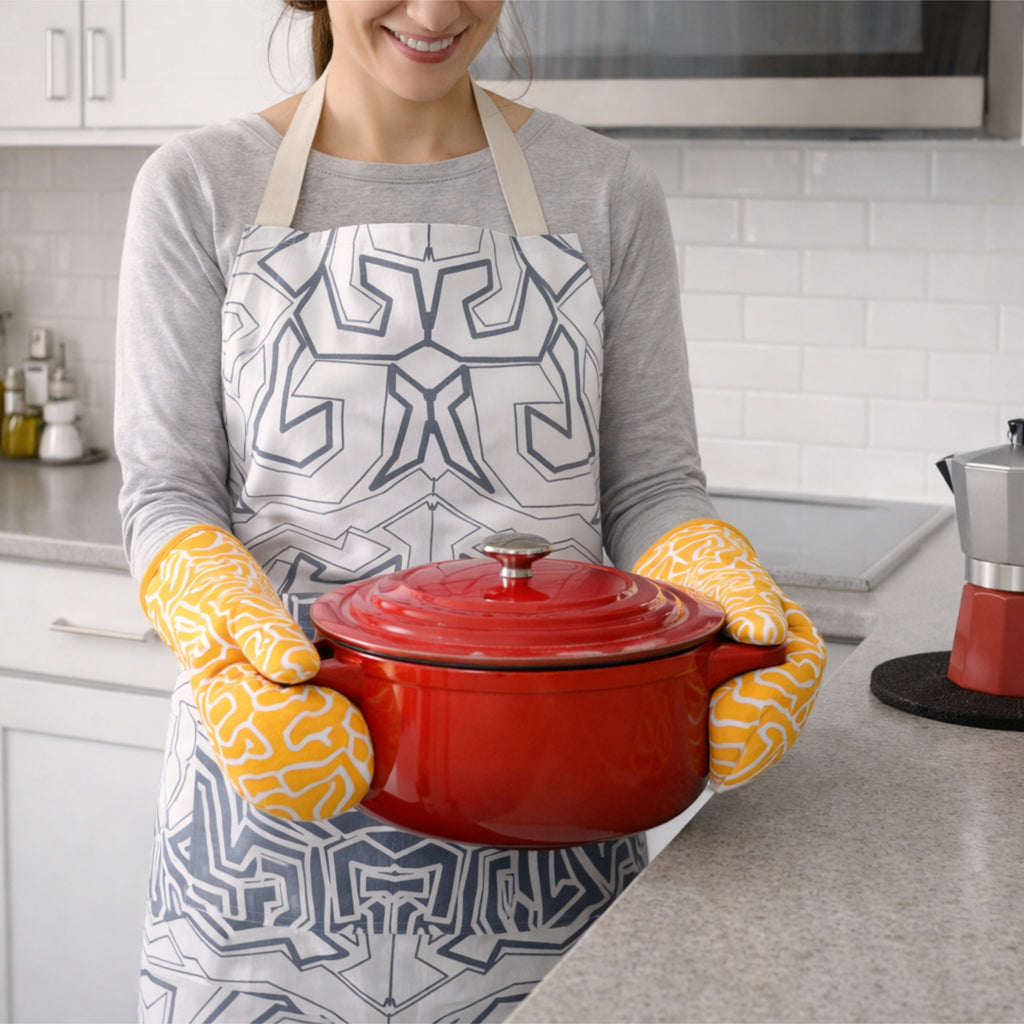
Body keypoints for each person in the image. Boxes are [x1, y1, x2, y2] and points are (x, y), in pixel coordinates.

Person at [115, 2, 825, 1020]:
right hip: (271, 811)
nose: (437, 12)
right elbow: (167, 489)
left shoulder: (603, 189)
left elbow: (647, 486)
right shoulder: (197, 184)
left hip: (551, 821)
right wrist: (222, 625)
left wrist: (715, 584)